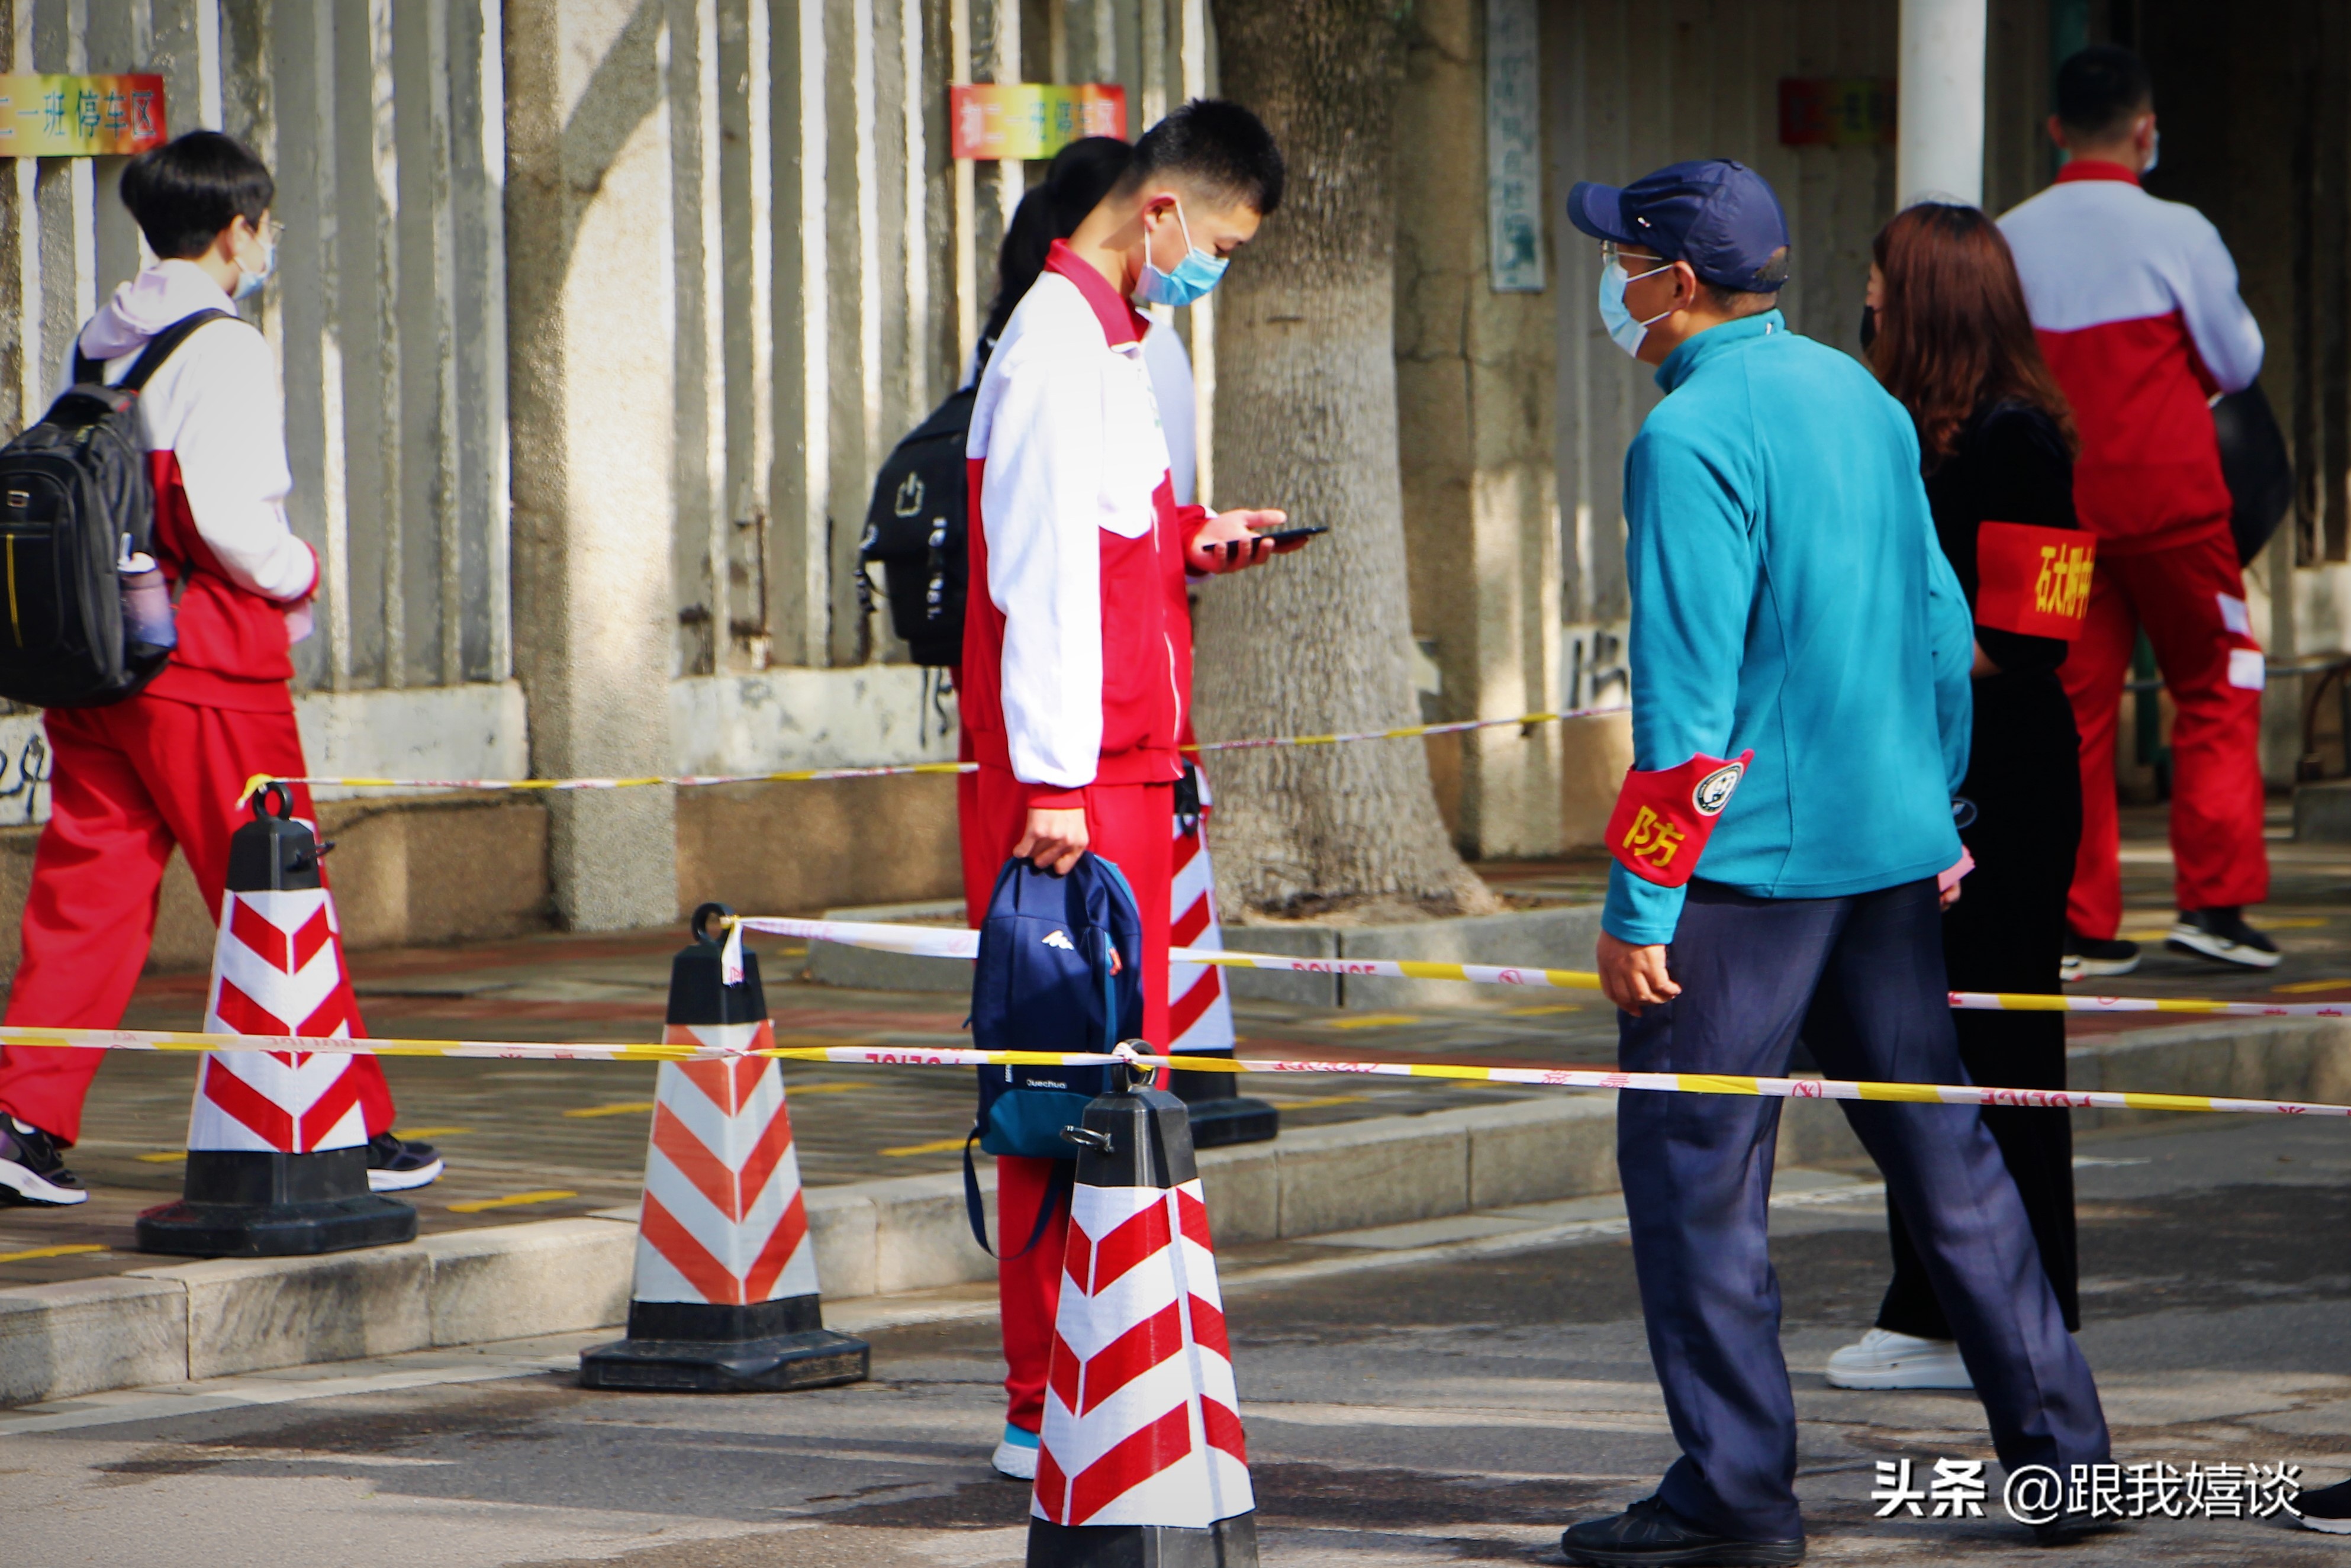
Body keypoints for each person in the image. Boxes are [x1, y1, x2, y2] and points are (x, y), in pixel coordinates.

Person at [1558, 159, 2110, 1564]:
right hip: (1886, 849)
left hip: (1748, 876)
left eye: (1623, 259)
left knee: (1697, 1172)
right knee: (1951, 1152)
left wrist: (1639, 901)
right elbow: (1940, 628)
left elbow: (1684, 713)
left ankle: (1736, 1496)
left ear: (1676, 284)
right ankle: (2066, 1459)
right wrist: (1929, 809)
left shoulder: (1688, 443)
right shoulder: (1859, 401)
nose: (1612, 283)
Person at [0, 132, 440, 1206]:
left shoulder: (103, 341)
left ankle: (20, 1119)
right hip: (208, 672)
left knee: (86, 899)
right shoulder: (227, 347)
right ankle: (343, 1126)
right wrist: (301, 572)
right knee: (279, 892)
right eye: (266, 223)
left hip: (102, 666)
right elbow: (233, 522)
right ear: (239, 229)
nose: (267, 240)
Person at [958, 100, 1294, 1482]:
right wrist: (1050, 786)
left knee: (1112, 1078)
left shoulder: (1117, 343)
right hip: (1072, 782)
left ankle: (1097, 1363)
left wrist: (1193, 549)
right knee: (1061, 1083)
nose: (1213, 267)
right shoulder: (1056, 347)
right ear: (1158, 212)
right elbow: (1037, 577)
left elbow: (1113, 551)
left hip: (1116, 767)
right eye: (1216, 241)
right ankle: (1044, 1391)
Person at [1825, 203, 2087, 1393]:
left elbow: (2037, 631)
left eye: (1881, 279)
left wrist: (1894, 654)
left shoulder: (2021, 438)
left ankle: (2005, 1312)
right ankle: (1940, 1297)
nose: (1867, 297)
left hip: (2006, 778)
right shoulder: (1901, 429)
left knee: (1999, 1044)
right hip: (1921, 760)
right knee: (1924, 1043)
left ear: (1921, 296)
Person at [2001, 44, 2274, 975]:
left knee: (2062, 711)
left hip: (2055, 517)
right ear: (2146, 130)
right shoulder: (2181, 230)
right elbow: (2237, 366)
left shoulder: (2008, 236)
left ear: (2054, 132)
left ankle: (2079, 925)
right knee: (2219, 679)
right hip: (2176, 510)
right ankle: (2216, 906)